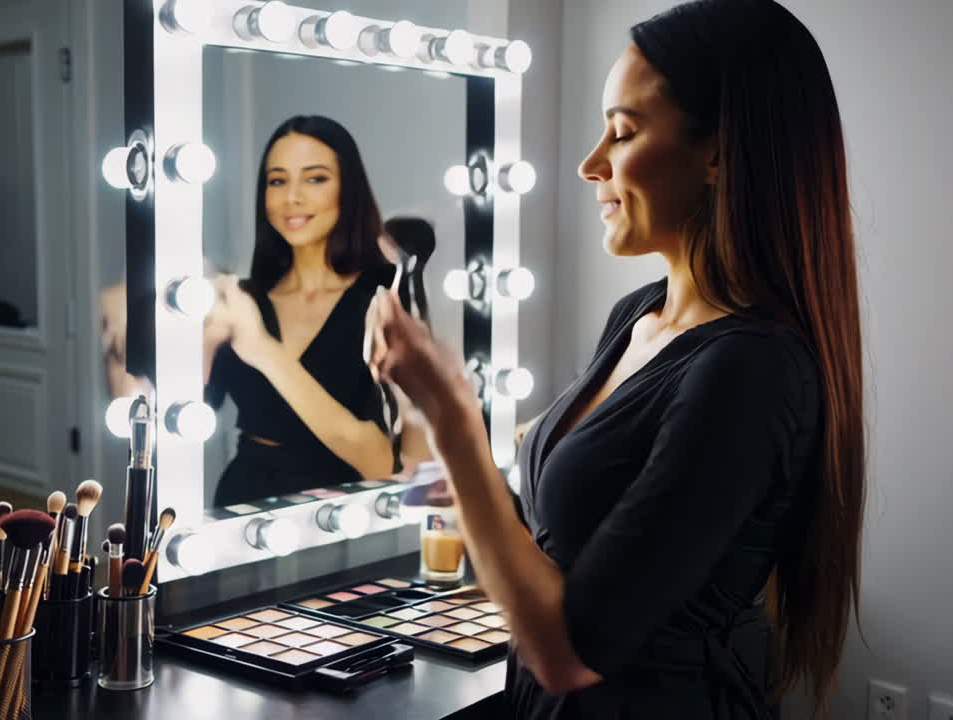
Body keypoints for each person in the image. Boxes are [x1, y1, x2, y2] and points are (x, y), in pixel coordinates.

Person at [368, 1, 865, 718]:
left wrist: (451, 416)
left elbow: (570, 652)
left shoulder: (751, 370)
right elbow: (569, 540)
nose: (589, 162)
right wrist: (461, 465)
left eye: (623, 131)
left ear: (721, 153)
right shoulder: (638, 317)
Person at [205, 115, 397, 506]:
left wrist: (263, 349)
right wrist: (205, 337)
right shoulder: (246, 300)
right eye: (277, 181)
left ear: (348, 189)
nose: (292, 197)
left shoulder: (383, 296)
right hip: (240, 504)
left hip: (341, 515)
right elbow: (188, 417)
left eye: (315, 178)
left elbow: (380, 460)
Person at [377, 216, 438, 472]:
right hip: (396, 368)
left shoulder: (405, 286)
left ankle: (401, 457)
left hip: (402, 369)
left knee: (401, 411)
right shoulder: (407, 285)